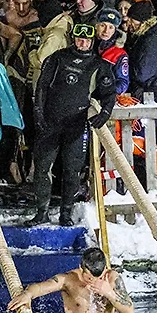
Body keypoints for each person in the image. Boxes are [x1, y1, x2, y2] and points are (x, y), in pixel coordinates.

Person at [31, 23, 116, 226]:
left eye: (87, 40)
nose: (82, 43)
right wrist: (38, 113)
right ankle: (41, 212)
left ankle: (65, 214)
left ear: (92, 41)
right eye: (79, 39)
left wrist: (104, 113)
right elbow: (42, 86)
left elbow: (109, 93)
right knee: (42, 168)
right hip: (50, 122)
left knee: (72, 170)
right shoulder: (58, 58)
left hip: (76, 125)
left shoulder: (99, 64)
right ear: (73, 39)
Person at [96, 8, 129, 95]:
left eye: (111, 27)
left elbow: (123, 83)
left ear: (115, 30)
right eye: (103, 25)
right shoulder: (86, 45)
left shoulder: (119, 54)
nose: (106, 31)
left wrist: (108, 92)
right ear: (96, 26)